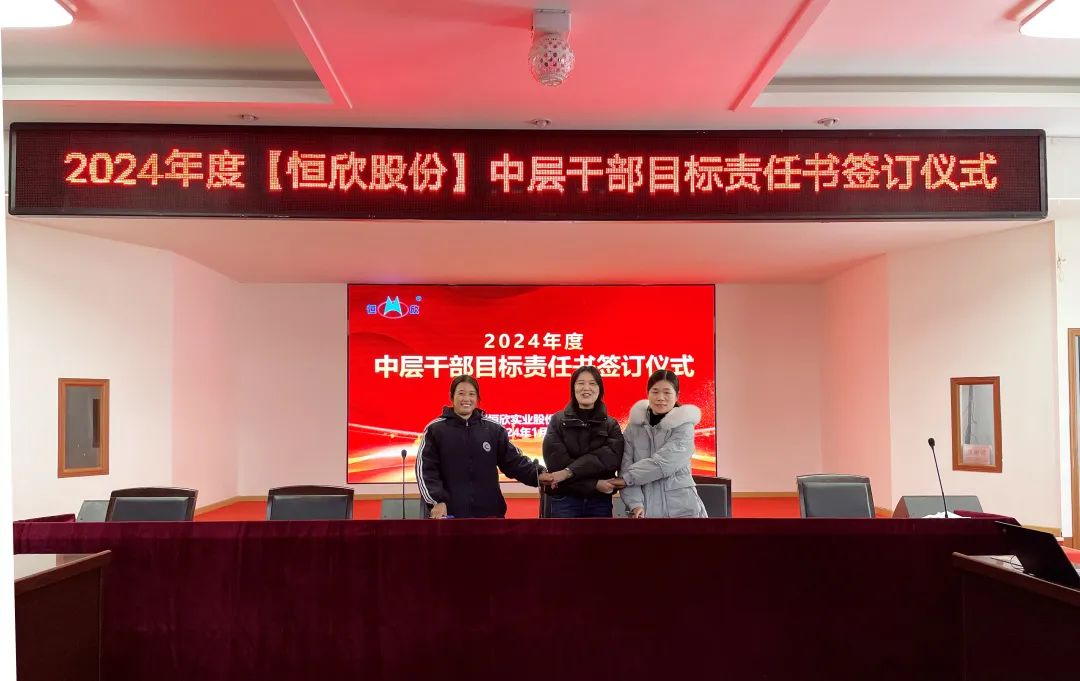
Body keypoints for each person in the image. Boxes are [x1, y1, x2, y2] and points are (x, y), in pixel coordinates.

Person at [416, 375, 548, 518]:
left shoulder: (493, 429)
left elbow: (514, 461)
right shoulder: (435, 429)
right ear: (451, 396)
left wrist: (538, 474)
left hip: (490, 515)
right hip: (449, 516)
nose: (466, 399)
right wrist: (437, 501)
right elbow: (426, 470)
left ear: (478, 398)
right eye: (461, 393)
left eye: (471, 394)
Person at [606, 370, 707, 518]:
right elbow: (625, 467)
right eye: (655, 392)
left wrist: (628, 478)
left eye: (667, 392)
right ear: (648, 394)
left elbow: (665, 462)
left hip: (682, 511)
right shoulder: (633, 428)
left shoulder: (684, 426)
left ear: (677, 396)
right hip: (645, 511)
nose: (660, 398)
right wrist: (635, 504)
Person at [541, 365, 625, 518]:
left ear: (600, 389)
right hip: (565, 500)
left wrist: (568, 472)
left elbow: (610, 459)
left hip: (599, 502)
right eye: (580, 383)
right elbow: (556, 466)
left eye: (592, 383)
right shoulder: (557, 421)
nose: (586, 388)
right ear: (573, 388)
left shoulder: (611, 425)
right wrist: (594, 484)